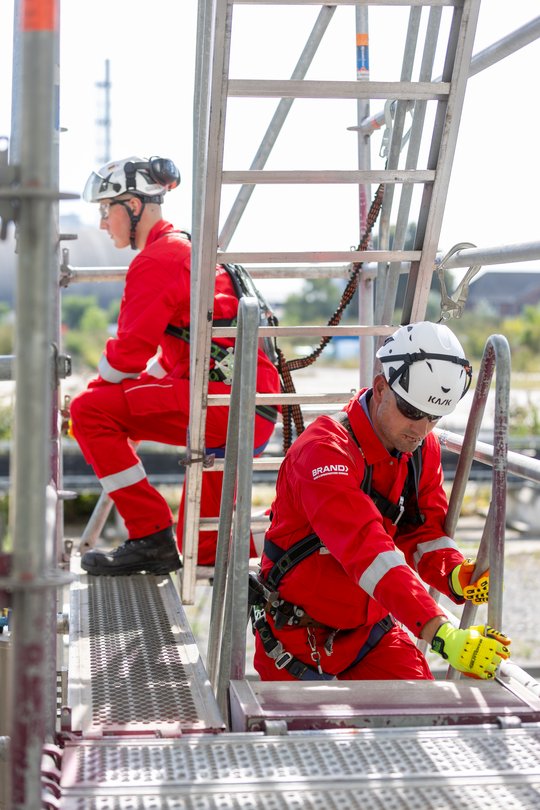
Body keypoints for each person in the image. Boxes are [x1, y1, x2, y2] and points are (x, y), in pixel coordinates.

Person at [251, 321, 511, 681]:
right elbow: (366, 548)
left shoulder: (419, 449)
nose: (421, 429)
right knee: (302, 738)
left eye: (433, 417)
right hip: (296, 642)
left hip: (369, 636)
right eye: (412, 412)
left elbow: (422, 531)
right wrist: (441, 632)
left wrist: (453, 573)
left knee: (428, 720)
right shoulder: (323, 452)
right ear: (380, 387)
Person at [70, 155, 280, 575]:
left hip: (223, 406)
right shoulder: (186, 250)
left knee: (88, 413)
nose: (101, 223)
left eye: (105, 209)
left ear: (132, 207)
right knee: (202, 551)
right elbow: (168, 365)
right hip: (245, 408)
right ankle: (302, 539)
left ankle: (149, 534)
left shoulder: (158, 260)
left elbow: (129, 352)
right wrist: (119, 396)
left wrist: (96, 396)